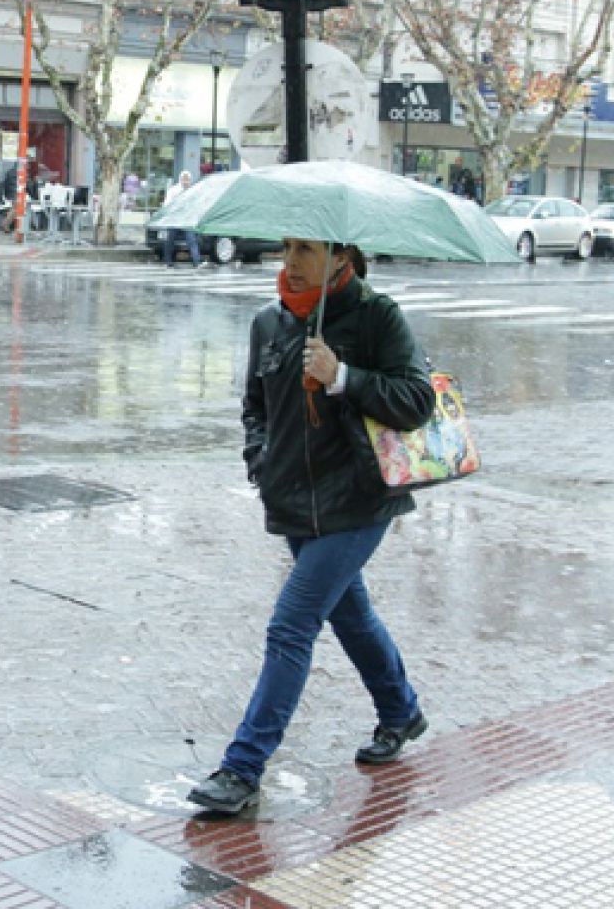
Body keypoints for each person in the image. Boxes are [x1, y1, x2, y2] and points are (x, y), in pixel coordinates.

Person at [188, 237, 436, 815]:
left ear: (343, 258)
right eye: (287, 248)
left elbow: (417, 399)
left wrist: (344, 375)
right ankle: (401, 710)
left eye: (306, 250)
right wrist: (261, 460)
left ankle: (243, 768)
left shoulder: (377, 316)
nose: (291, 262)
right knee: (350, 615)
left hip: (359, 502)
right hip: (294, 502)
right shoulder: (269, 322)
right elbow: (255, 407)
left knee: (292, 623)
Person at [160, 169, 204, 268]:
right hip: (174, 220)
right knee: (169, 240)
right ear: (180, 180)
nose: (186, 182)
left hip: (187, 221)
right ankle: (168, 262)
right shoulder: (173, 191)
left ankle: (197, 262)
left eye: (187, 180)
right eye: (184, 179)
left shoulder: (193, 191)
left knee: (192, 240)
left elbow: (197, 205)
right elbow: (167, 205)